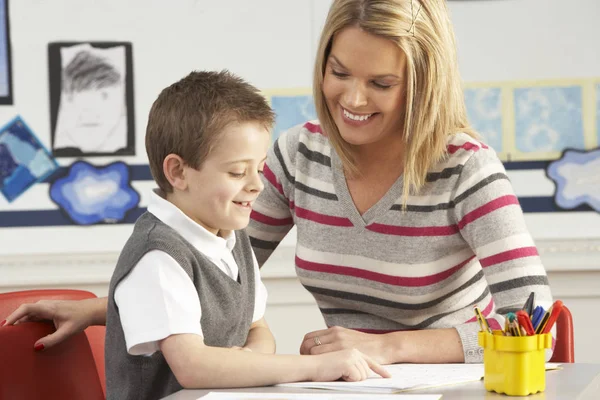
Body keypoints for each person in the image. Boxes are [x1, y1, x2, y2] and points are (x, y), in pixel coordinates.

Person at [3, 0, 553, 366]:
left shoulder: (467, 170)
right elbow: (219, 275)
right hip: (346, 382)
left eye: (380, 83)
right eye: (338, 73)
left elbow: (536, 324)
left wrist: (388, 348)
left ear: (423, 84)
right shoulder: (301, 154)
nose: (353, 100)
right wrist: (105, 307)